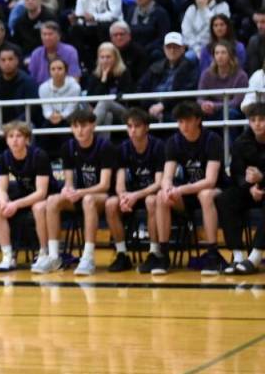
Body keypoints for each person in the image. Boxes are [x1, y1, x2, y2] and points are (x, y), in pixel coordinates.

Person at [33, 107, 118, 275]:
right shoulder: (68, 147)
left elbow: (105, 185)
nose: (79, 130)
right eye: (75, 126)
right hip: (80, 195)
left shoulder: (105, 146)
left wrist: (80, 192)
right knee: (51, 200)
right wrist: (67, 189)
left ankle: (87, 257)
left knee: (88, 200)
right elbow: (69, 182)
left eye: (83, 126)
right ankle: (54, 256)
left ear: (93, 126)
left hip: (103, 197)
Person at [149, 101, 225, 276]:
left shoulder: (212, 139)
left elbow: (210, 180)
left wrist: (180, 189)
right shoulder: (174, 142)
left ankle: (213, 254)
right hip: (188, 193)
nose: (184, 126)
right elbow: (167, 176)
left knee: (205, 195)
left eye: (188, 121)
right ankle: (164, 254)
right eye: (180, 121)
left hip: (216, 192)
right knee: (161, 195)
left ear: (198, 120)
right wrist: (168, 188)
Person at [105, 107, 164, 273]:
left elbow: (159, 183)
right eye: (129, 126)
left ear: (146, 127)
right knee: (111, 204)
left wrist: (135, 195)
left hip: (149, 194)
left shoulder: (158, 146)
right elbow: (119, 182)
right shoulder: (123, 148)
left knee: (151, 201)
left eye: (137, 126)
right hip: (131, 196)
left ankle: (154, 252)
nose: (132, 130)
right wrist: (123, 196)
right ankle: (122, 254)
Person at [0, 121, 54, 272]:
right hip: (23, 197)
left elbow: (41, 193)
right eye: (11, 136)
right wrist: (3, 201)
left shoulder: (39, 156)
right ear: (6, 140)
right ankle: (7, 256)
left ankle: (44, 253)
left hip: (48, 197)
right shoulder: (4, 158)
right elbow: (1, 189)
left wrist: (15, 204)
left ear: (27, 139)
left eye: (19, 136)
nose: (14, 140)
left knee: (38, 207)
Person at [216, 102, 265, 274]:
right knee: (224, 198)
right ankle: (238, 255)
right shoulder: (241, 142)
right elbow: (236, 173)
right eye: (253, 120)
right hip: (249, 190)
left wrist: (262, 178)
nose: (257, 123)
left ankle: (255, 257)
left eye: (261, 119)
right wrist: (249, 188)